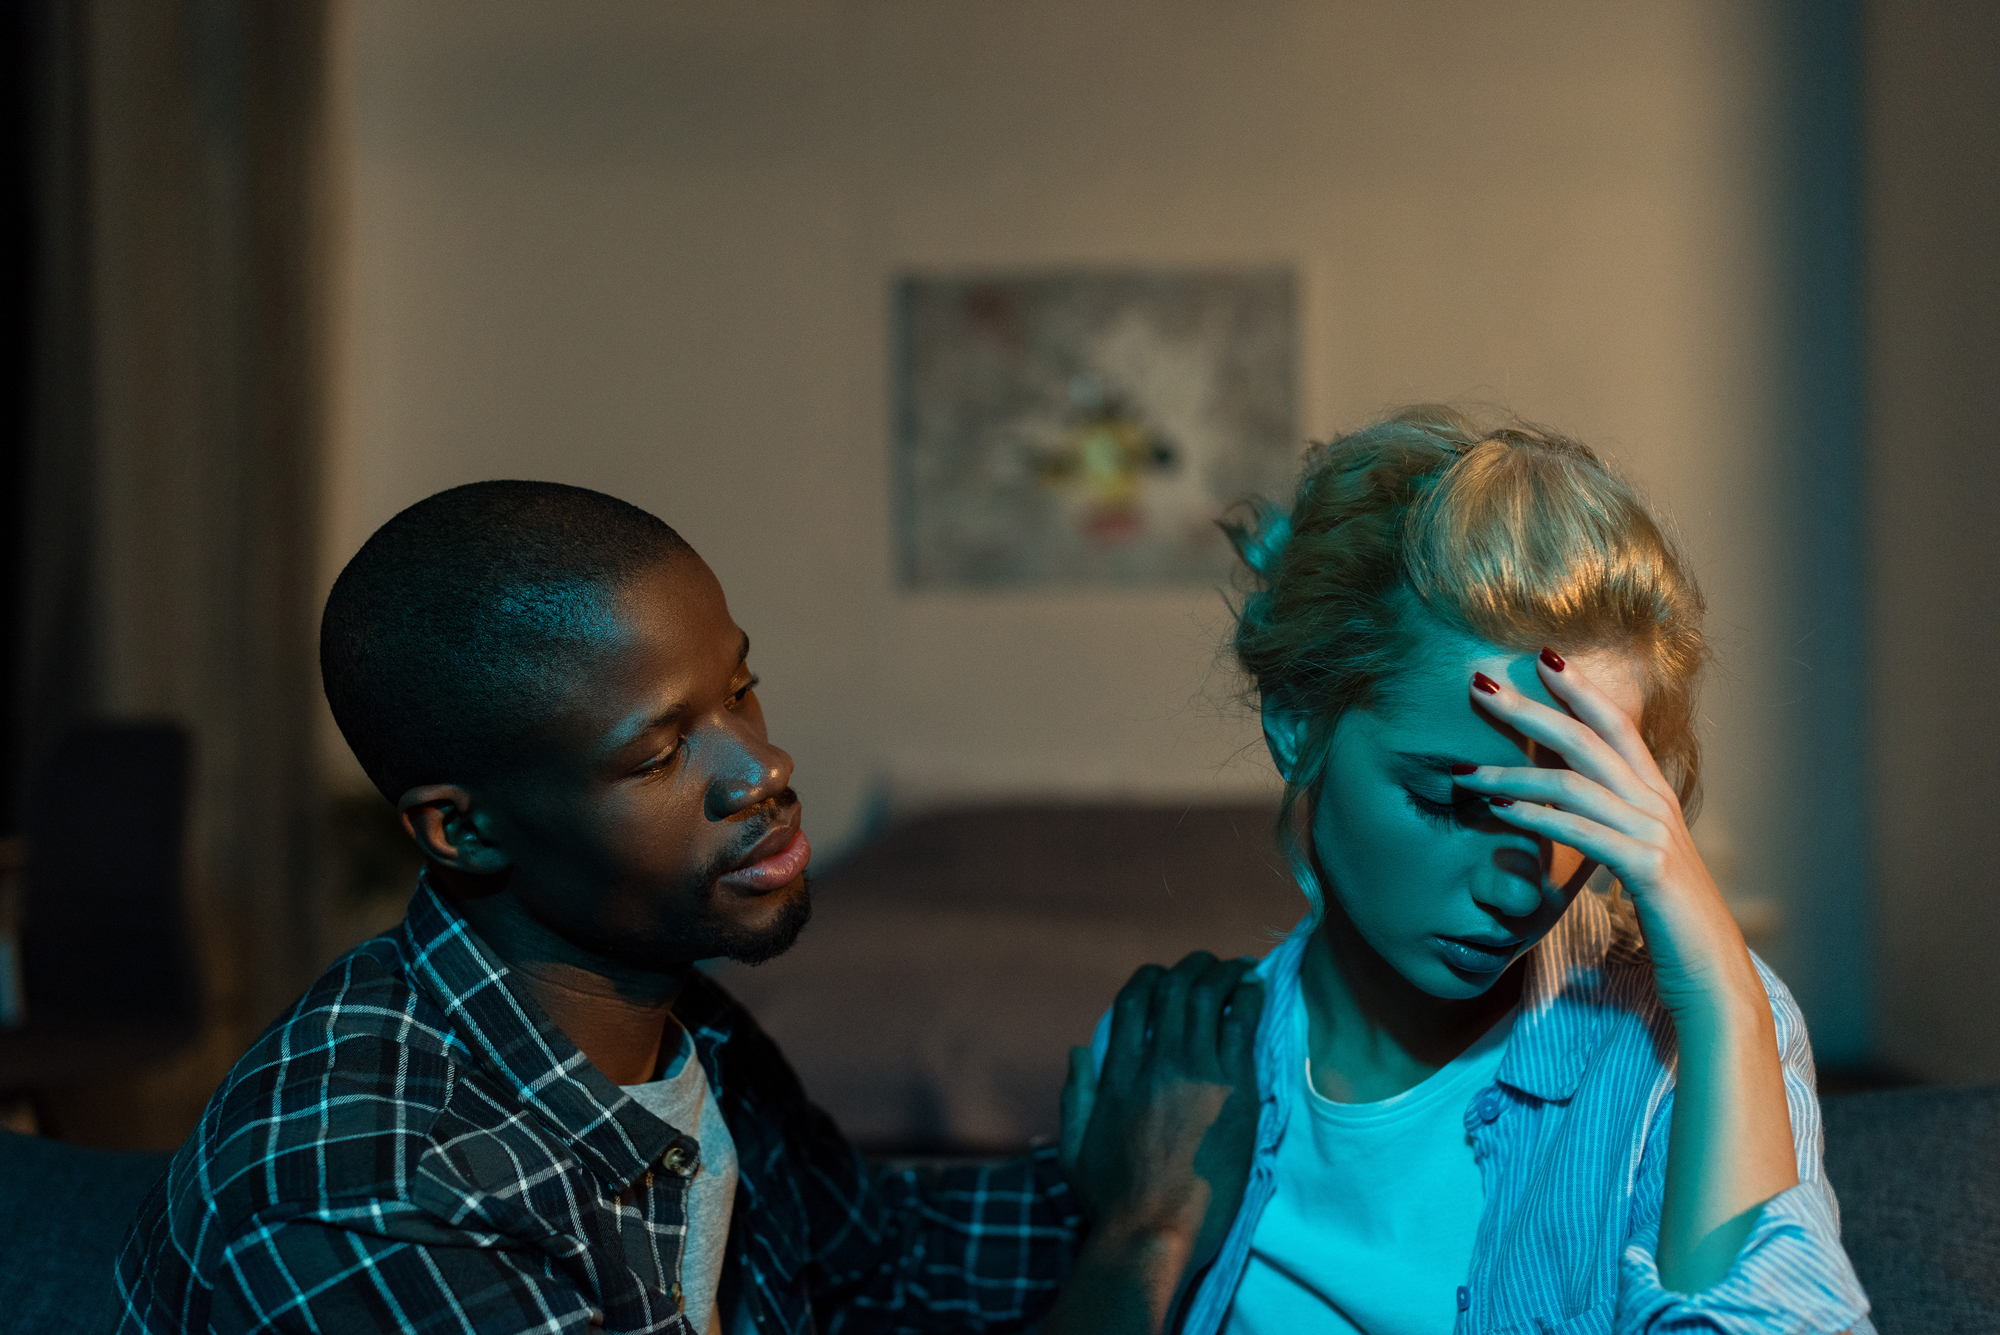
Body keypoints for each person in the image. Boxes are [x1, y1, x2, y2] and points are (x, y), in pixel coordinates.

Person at [114, 481, 1262, 1334]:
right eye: (661, 753)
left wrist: (1122, 1158)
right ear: (465, 829)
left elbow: (881, 1264)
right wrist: (1141, 1240)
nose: (761, 766)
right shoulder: (376, 1193)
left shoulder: (679, 1030)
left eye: (741, 689)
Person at [1067, 407, 1873, 1334]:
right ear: (1297, 722)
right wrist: (1141, 1235)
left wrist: (1726, 1003)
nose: (1522, 884)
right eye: (1453, 800)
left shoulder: (1686, 1042)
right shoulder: (1175, 1073)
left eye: (1576, 806)